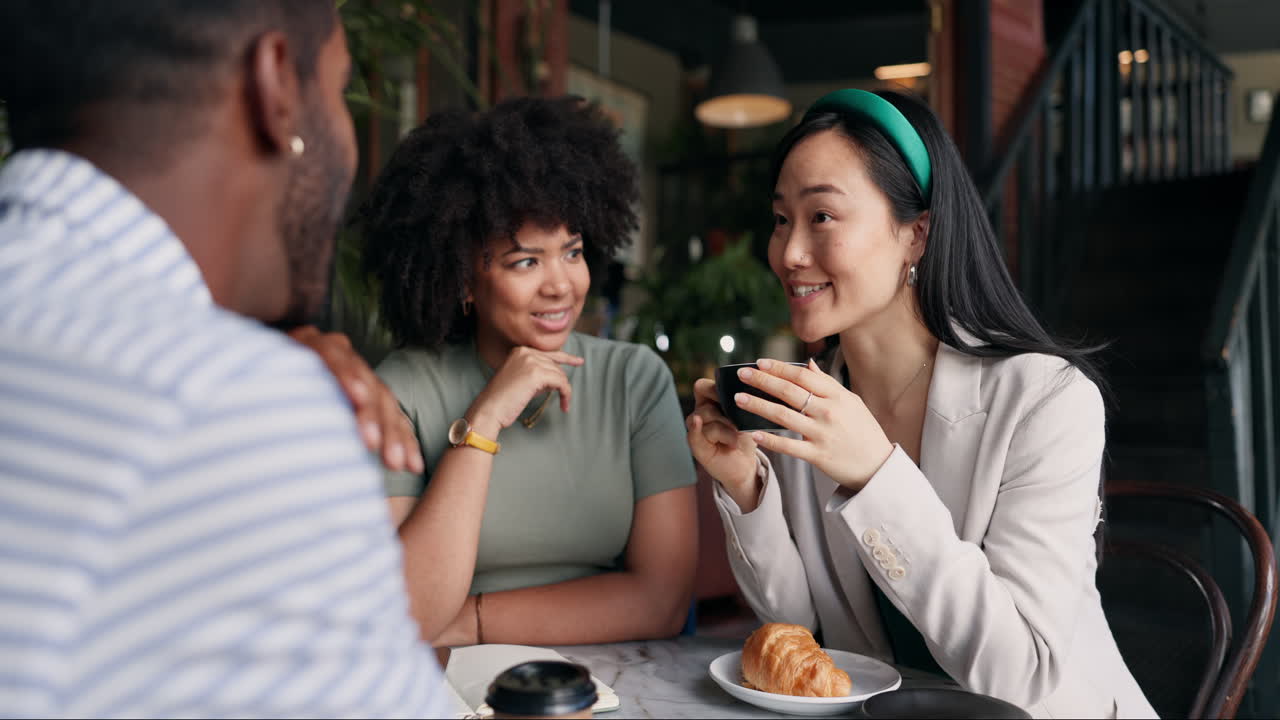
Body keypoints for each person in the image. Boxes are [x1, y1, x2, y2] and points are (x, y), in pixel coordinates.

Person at [0, 2, 449, 716]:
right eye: (336, 89)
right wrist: (252, 379)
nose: (349, 146)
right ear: (276, 85)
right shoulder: (231, 401)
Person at [685, 89, 1156, 718]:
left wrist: (875, 474)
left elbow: (1017, 674)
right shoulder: (810, 395)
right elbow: (800, 636)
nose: (789, 253)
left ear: (915, 234)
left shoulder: (1047, 399)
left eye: (821, 216)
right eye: (780, 220)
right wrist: (747, 488)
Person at [357, 96, 698, 647]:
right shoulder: (402, 391)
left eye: (572, 252)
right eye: (525, 261)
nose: (561, 285)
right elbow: (407, 616)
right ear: (465, 280)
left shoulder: (634, 381)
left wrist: (468, 620)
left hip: (620, 682)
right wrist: (484, 421)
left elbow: (661, 603)